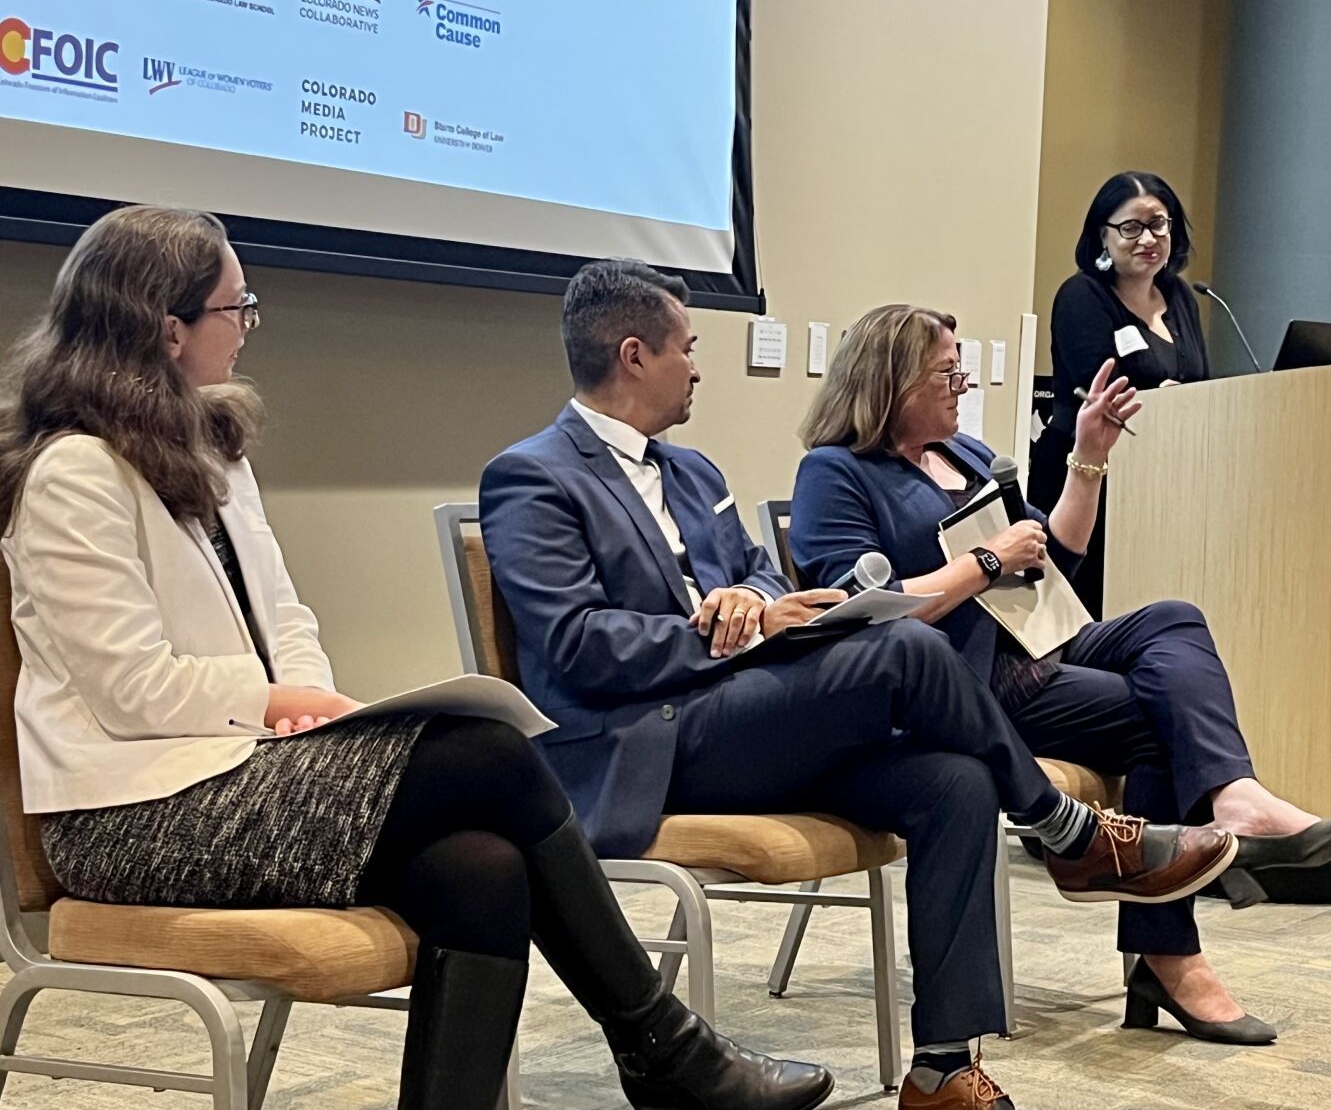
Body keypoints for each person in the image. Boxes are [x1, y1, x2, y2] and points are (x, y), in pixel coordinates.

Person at [0, 207, 835, 1110]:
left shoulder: (211, 451)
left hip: (234, 765)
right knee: (483, 752)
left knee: (481, 867)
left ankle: (654, 1060)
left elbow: (284, 610)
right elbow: (130, 688)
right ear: (169, 330)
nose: (247, 324)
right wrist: (279, 700)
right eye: (236, 307)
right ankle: (664, 1050)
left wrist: (311, 697)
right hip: (129, 812)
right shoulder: (73, 472)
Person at [479, 259, 1240, 1110]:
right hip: (648, 743)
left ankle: (942, 1068)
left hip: (755, 716)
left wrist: (755, 600)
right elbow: (574, 647)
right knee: (909, 650)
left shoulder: (694, 472)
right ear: (632, 355)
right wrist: (725, 629)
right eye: (687, 349)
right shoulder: (531, 475)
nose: (697, 366)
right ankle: (1066, 830)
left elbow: (769, 578)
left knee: (952, 780)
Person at [791, 303, 1331, 1046]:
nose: (963, 384)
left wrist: (1088, 455)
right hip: (963, 679)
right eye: (948, 371)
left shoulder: (965, 454)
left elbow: (1055, 556)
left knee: (1173, 618)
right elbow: (862, 615)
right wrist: (987, 559)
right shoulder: (836, 473)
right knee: (1156, 722)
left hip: (1037, 637)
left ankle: (1233, 795)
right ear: (892, 379)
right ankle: (1168, 953)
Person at [1030, 171, 1211, 617]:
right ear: (1102, 237)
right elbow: (1102, 392)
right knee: (1090, 612)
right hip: (1087, 478)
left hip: (1164, 479)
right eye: (1131, 227)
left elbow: (1202, 381)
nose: (1148, 237)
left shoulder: (1180, 296)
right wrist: (1163, 400)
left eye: (1159, 224)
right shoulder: (1081, 296)